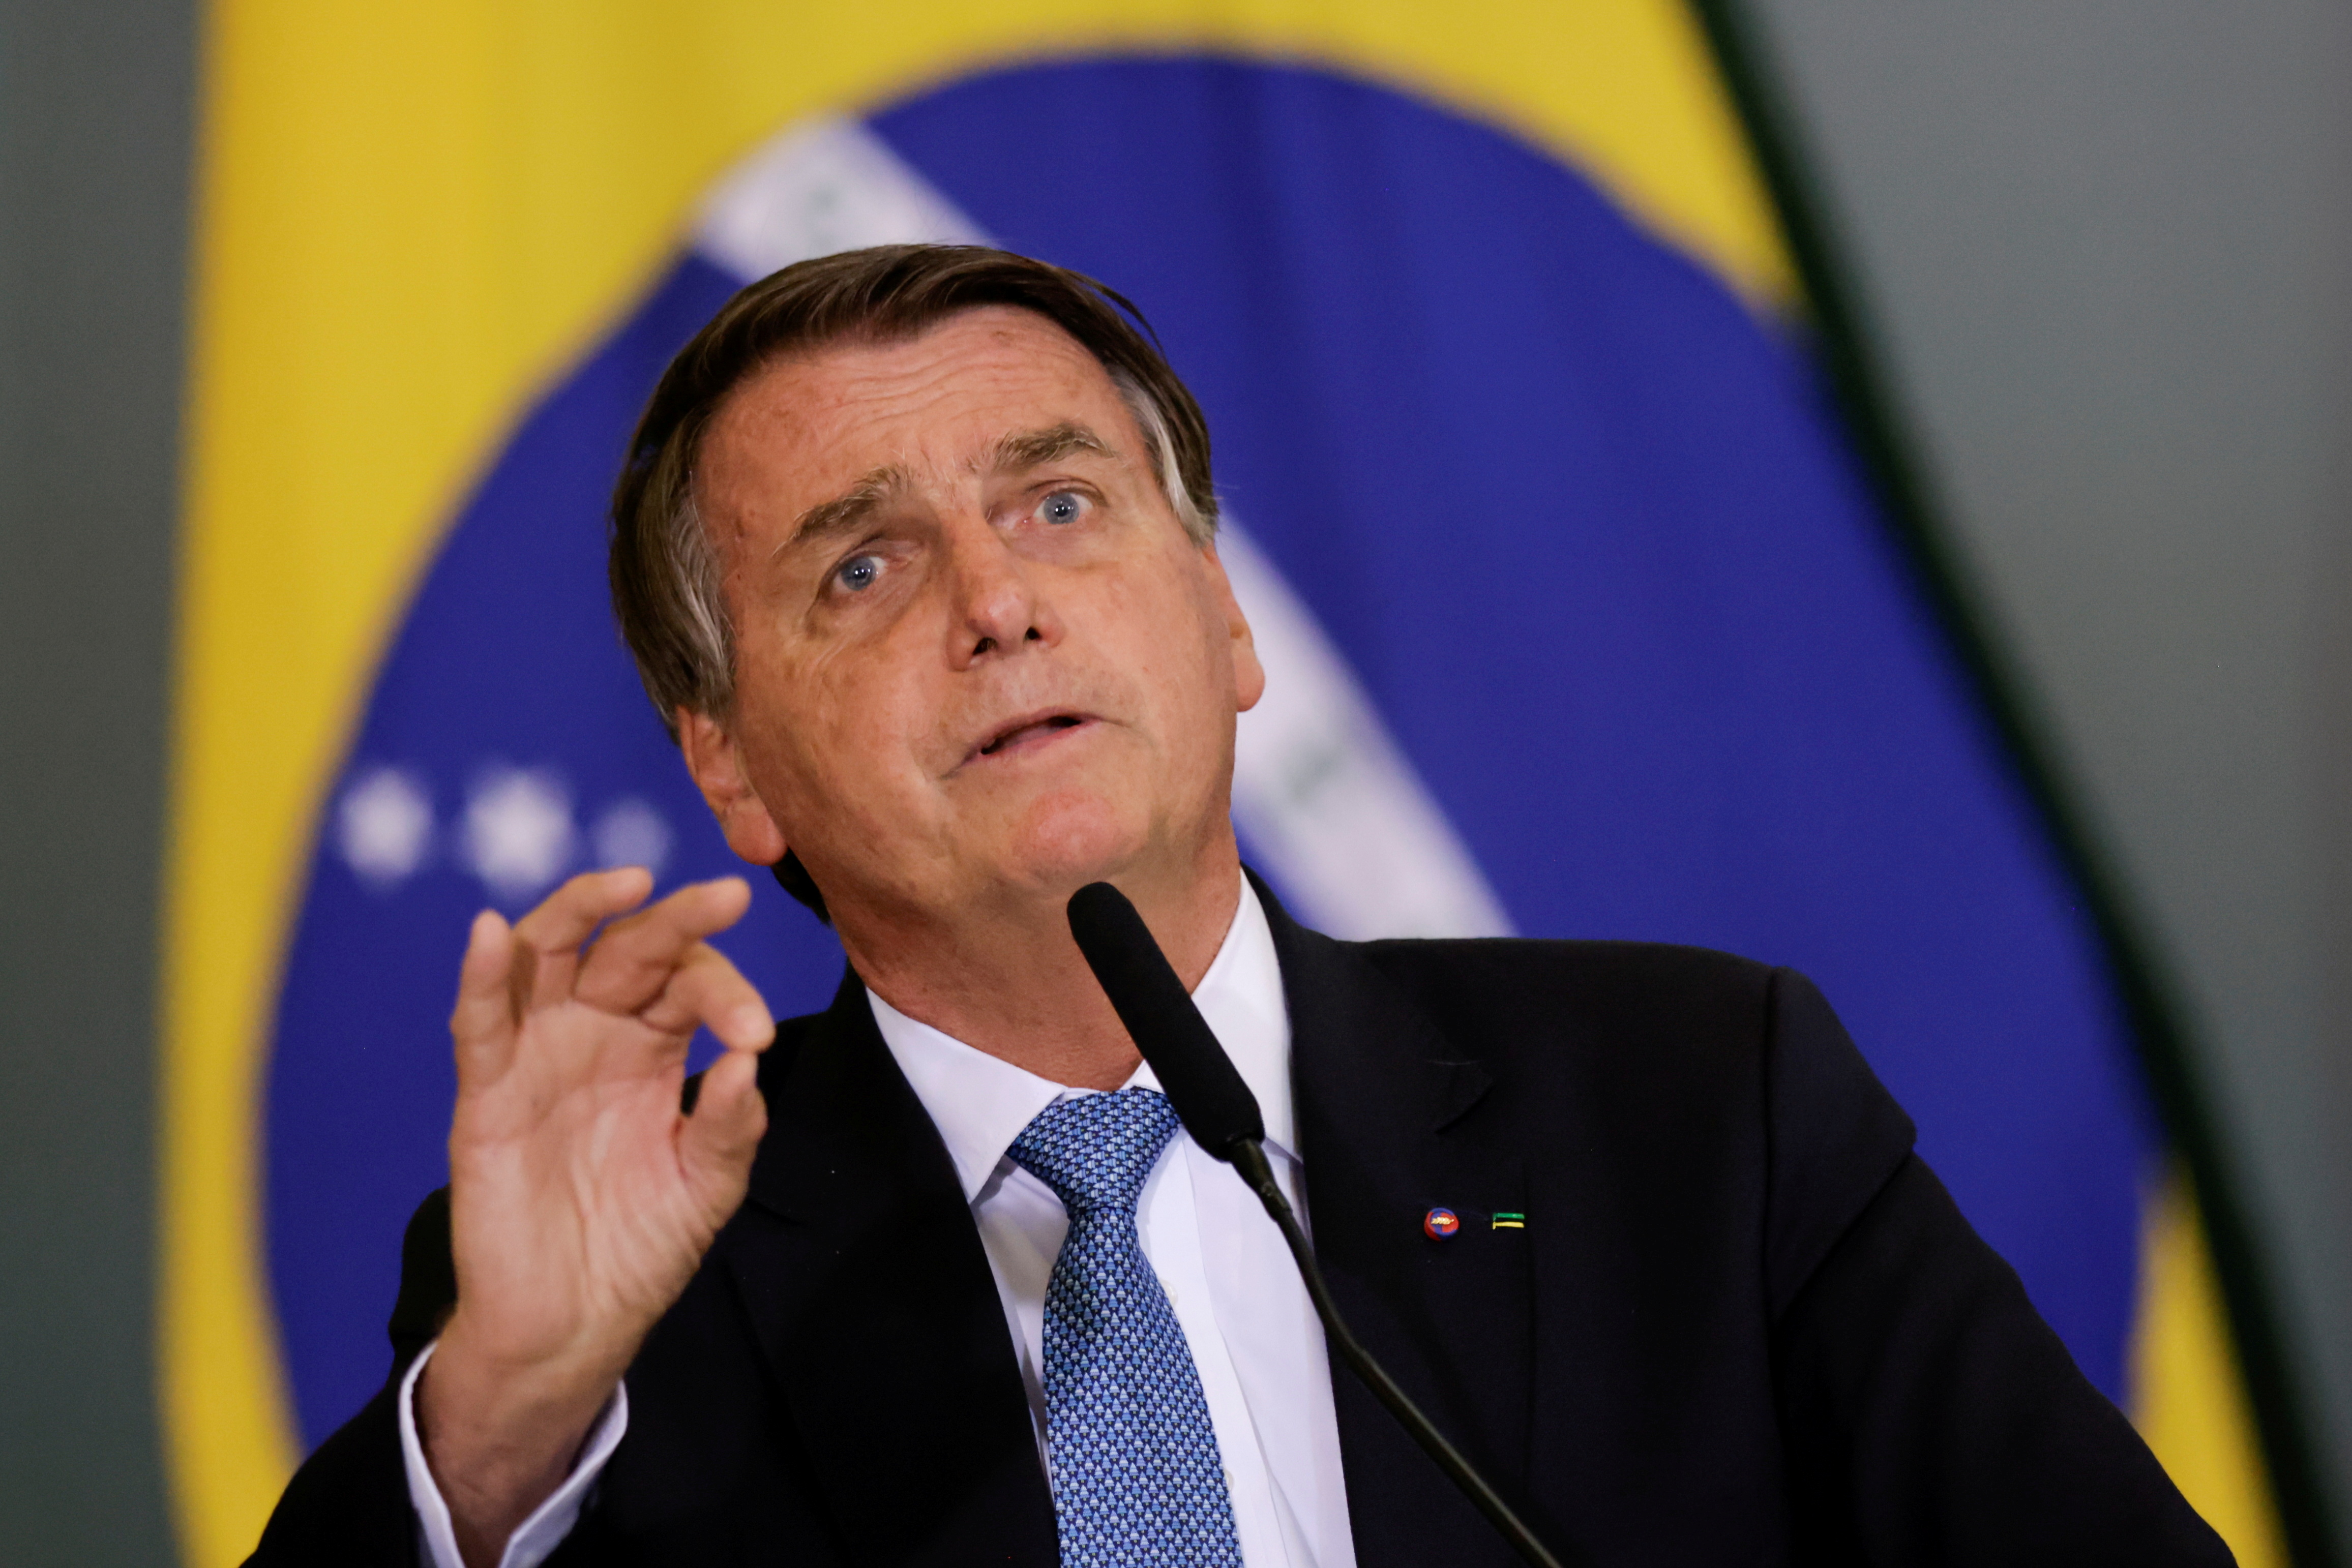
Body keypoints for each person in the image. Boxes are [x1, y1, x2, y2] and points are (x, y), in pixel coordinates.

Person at [248, 244, 2229, 1568]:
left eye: (1057, 504)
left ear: (1220, 618)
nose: (993, 600)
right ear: (729, 766)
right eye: (859, 567)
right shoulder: (599, 1306)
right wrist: (503, 1415)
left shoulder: (1698, 1103)